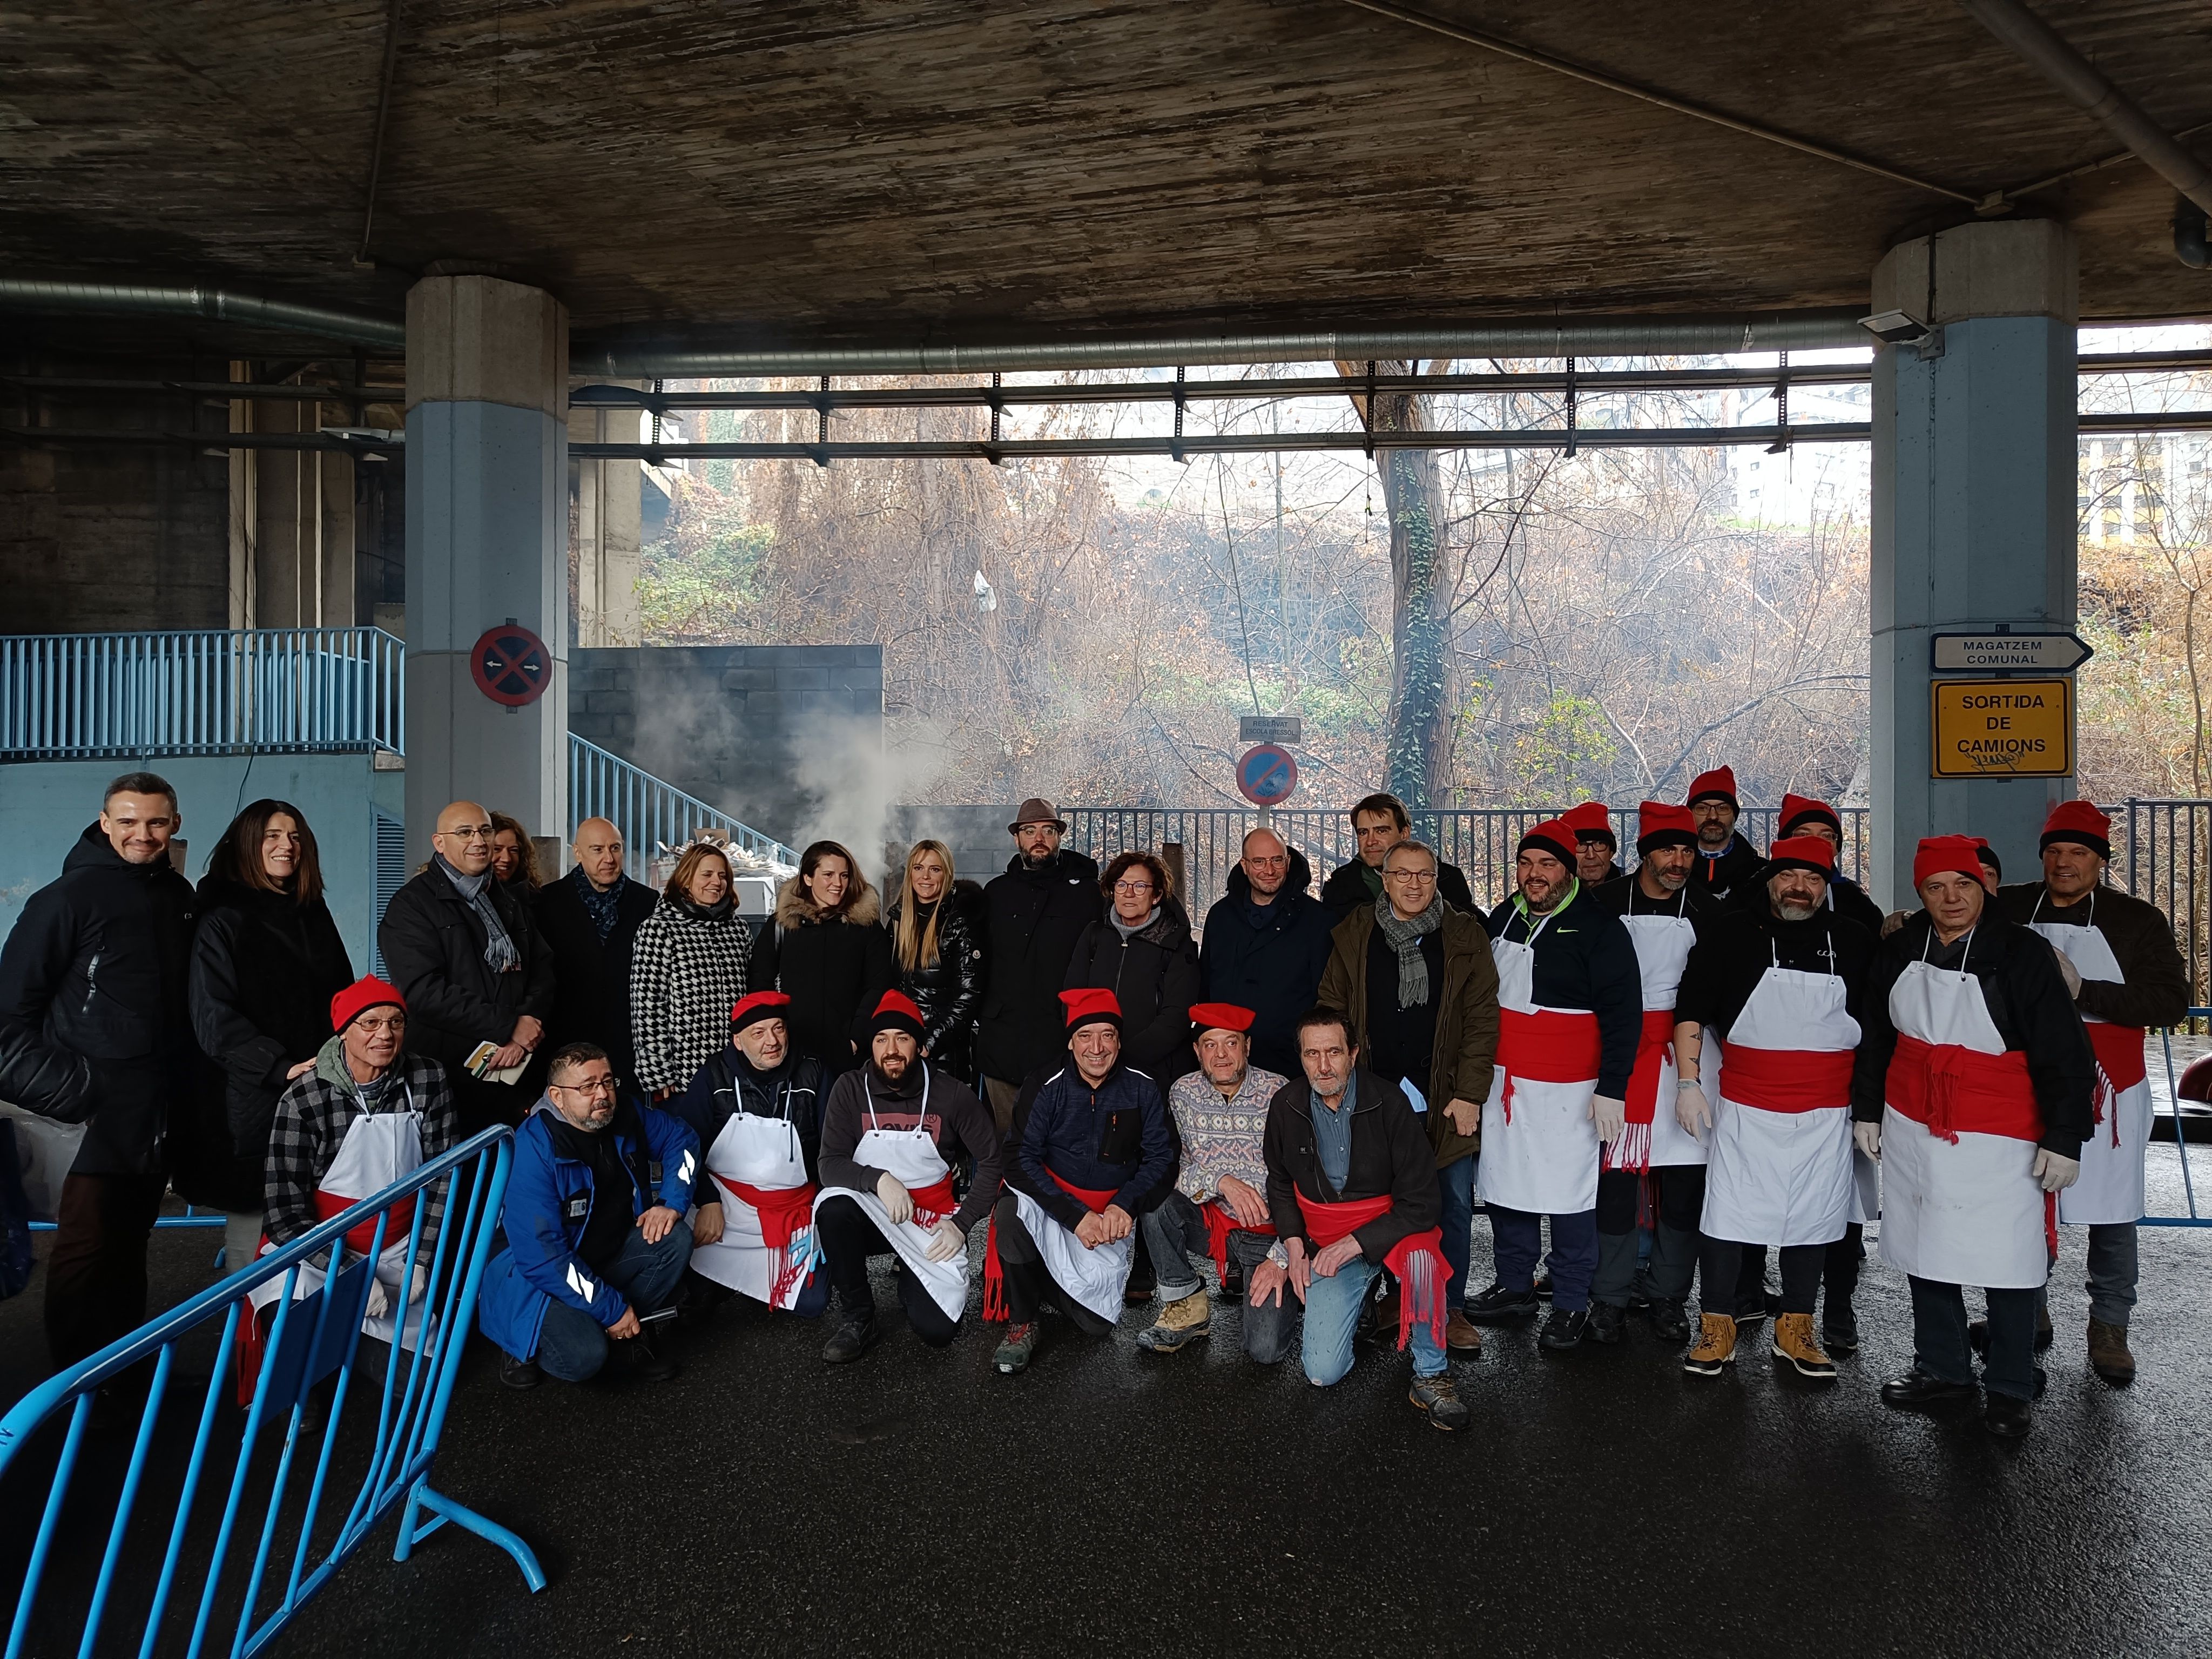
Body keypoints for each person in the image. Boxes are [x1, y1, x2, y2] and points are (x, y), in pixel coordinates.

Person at [1853, 837, 2094, 1438]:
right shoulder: (1902, 948)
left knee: (2007, 1260)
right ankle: (1943, 1368)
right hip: (1913, 1122)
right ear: (1921, 895)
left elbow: (2064, 1052)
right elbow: (1876, 1036)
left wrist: (2066, 1137)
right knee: (1924, 1248)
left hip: (2001, 1130)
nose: (1951, 898)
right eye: (1935, 888)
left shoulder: (2022, 953)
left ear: (1982, 887)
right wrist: (1868, 1111)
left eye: (1962, 885)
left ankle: (2010, 1387)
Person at [0, 773, 197, 1368]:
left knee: (129, 1249)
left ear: (175, 825)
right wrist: (78, 1093)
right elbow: (8, 1021)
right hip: (85, 1121)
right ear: (105, 822)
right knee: (85, 1251)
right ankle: (71, 1393)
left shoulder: (178, 898)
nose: (144, 834)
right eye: (130, 821)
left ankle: (119, 1377)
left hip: (153, 1113)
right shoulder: (64, 899)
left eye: (157, 822)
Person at [1996, 800, 2187, 1385]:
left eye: (2078, 852)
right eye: (2054, 851)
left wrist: (2085, 990)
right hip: (2026, 1078)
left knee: (2112, 1213)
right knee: (2025, 1204)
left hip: (2111, 1088)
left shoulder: (2137, 922)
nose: (2063, 863)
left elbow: (2169, 1004)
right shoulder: (2007, 907)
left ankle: (2109, 1325)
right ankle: (2029, 1310)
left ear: (2099, 861)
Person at [1674, 836, 1872, 1380]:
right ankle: (1716, 1327)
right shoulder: (1733, 932)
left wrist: (1870, 1109)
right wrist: (1688, 1083)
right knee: (1727, 1218)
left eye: (1812, 879)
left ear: (1825, 885)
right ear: (1770, 879)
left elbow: (1876, 1029)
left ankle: (1796, 1329)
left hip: (1826, 1112)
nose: (1799, 888)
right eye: (1789, 876)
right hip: (1746, 1107)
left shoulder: (1853, 940)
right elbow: (1691, 1004)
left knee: (1812, 1220)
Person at [1316, 838, 1499, 1353]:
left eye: (1424, 875)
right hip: (1373, 1093)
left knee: (1454, 1202)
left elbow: (1483, 1020)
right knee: (1381, 1200)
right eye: (1403, 874)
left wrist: (1470, 1093)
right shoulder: (1355, 932)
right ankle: (1398, 1297)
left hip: (1444, 1095)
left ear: (1435, 880)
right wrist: (1339, 1079)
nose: (1414, 885)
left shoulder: (1465, 935)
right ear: (1386, 878)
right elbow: (1332, 1006)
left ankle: (1452, 1305)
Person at [1465, 819, 1641, 1350]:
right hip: (1506, 1087)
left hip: (1571, 1093)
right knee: (1506, 1191)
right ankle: (1515, 1285)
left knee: (1570, 1201)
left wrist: (1612, 1087)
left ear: (1568, 870)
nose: (1534, 874)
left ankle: (1569, 1302)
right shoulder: (1503, 918)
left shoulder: (1600, 928)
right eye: (1525, 863)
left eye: (1547, 864)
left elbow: (1622, 1014)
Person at [1250, 1007, 1467, 1429]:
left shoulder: (1390, 1102)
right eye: (1312, 1054)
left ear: (1353, 1053)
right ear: (1301, 1058)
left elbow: (1423, 1203)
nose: (1324, 1065)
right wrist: (1293, 1244)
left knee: (1423, 1260)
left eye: (1333, 1052)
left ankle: (1431, 1373)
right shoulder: (1287, 1104)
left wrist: (1355, 1244)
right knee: (1320, 1373)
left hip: (1391, 1230)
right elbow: (1279, 1181)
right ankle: (1361, 1307)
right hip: (1326, 1237)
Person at [186, 799, 354, 1278]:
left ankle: (300, 1340)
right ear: (247, 845)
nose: (287, 846)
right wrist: (280, 1067)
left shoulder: (309, 910)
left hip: (318, 1082)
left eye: (295, 837)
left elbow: (340, 993)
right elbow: (213, 1017)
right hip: (252, 1094)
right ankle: (249, 1341)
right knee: (253, 1223)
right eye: (272, 837)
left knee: (313, 1211)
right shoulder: (222, 916)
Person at [255, 977, 458, 1367]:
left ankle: (349, 1344)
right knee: (288, 1335)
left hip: (400, 1250)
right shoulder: (304, 1098)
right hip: (319, 1252)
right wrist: (349, 1274)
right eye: (370, 1023)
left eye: (396, 1022)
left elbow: (443, 1177)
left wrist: (423, 1258)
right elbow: (283, 1216)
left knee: (410, 1385)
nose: (385, 1034)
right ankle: (306, 1387)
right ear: (344, 1031)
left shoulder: (428, 1079)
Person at [478, 1042, 700, 1388]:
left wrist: (672, 1201)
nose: (603, 1094)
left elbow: (682, 1140)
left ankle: (627, 1333)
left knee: (674, 1236)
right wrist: (611, 1310)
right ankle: (520, 1341)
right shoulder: (535, 1149)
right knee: (583, 1358)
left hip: (603, 1254)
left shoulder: (624, 1113)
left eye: (608, 1081)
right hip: (536, 1277)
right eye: (587, 1086)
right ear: (557, 1096)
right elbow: (542, 1257)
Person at [986, 988, 1174, 1374]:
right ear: (1071, 1041)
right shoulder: (1045, 1083)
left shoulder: (1143, 1085)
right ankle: (1023, 1320)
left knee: (1096, 1326)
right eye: (1086, 1036)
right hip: (1053, 1202)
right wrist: (1074, 1216)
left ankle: (1031, 1278)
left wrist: (1127, 1203)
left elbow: (1163, 1157)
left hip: (1109, 1214)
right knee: (1010, 1214)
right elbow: (1019, 1158)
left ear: (1119, 1040)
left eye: (1107, 1034)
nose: (1097, 1047)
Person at [1587, 802, 1717, 1344]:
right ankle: (1610, 1295)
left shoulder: (1709, 911)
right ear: (1643, 853)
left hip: (1687, 1056)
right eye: (1667, 849)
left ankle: (1668, 1294)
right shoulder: (1603, 903)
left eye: (1686, 850)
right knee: (1616, 1182)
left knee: (1683, 1185)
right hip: (1621, 1053)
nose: (1678, 860)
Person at [813, 991, 1003, 1362]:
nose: (891, 1049)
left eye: (902, 1038)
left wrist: (961, 1225)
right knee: (833, 1207)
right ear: (871, 1046)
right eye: (881, 1039)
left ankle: (912, 1277)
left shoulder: (953, 1095)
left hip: (932, 1223)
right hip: (872, 1213)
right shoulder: (850, 1089)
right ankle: (858, 1316)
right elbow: (829, 1164)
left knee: (938, 1332)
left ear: (920, 1046)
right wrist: (880, 1179)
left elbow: (993, 1162)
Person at [378, 800, 556, 1134]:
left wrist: (522, 1032)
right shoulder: (411, 906)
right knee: (458, 1181)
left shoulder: (507, 898)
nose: (479, 840)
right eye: (464, 832)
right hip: (448, 1079)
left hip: (515, 1070)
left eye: (485, 830)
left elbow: (542, 970)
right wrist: (507, 1027)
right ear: (439, 843)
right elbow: (422, 993)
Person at [1136, 1002, 1293, 1355]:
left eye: (1231, 1043)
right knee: (1155, 1201)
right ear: (1197, 1051)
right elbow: (1172, 1167)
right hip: (1211, 1223)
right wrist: (1222, 1181)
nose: (1221, 1055)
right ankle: (1187, 1304)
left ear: (1248, 1047)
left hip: (1268, 1235)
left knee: (1266, 1351)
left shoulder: (1279, 1092)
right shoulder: (1183, 1093)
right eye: (1210, 1044)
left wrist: (1283, 1257)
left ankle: (1294, 1285)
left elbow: (1305, 1182)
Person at [670, 990, 830, 1317]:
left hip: (792, 1210)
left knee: (812, 1305)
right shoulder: (713, 1075)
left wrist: (821, 1219)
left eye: (778, 1029)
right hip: (726, 1207)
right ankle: (718, 1283)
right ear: (738, 1042)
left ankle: (749, 1282)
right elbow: (682, 1149)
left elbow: (835, 1149)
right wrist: (707, 1199)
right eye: (758, 1033)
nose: (771, 1041)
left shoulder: (814, 1073)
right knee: (685, 1270)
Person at [975, 800, 1102, 1132]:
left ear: (1059, 836)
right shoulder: (997, 893)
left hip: (1059, 1036)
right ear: (1017, 839)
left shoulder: (1088, 893)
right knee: (1007, 1138)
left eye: (1048, 830)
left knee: (1060, 1137)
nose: (1039, 838)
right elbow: (978, 957)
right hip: (1002, 1038)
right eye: (1030, 831)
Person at [1198, 827, 1337, 1080]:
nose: (1269, 871)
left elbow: (1325, 997)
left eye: (1277, 860)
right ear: (1244, 865)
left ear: (1288, 861)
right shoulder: (1220, 917)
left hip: (1291, 1061)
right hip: (1228, 1060)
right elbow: (1206, 985)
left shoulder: (1317, 920)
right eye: (1259, 861)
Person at [750, 840, 895, 1077]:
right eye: (828, 875)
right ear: (808, 878)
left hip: (850, 1054)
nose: (838, 884)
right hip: (793, 1051)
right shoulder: (783, 925)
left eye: (844, 875)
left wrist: (856, 1038)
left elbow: (879, 985)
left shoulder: (866, 927)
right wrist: (775, 1035)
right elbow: (759, 982)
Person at [532, 818, 658, 1089]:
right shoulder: (545, 903)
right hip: (563, 1039)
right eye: (597, 849)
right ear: (577, 852)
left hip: (629, 1043)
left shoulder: (648, 903)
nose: (609, 858)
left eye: (615, 848)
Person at [1064, 850, 1201, 1083]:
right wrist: (1095, 1052)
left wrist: (1124, 1058)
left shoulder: (1175, 943)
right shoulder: (1094, 936)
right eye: (1121, 885)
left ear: (1156, 895)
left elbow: (1177, 1016)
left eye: (1140, 886)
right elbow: (1072, 997)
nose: (1129, 894)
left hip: (1155, 1070)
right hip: (1096, 1065)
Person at [632, 840, 751, 1102]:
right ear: (686, 880)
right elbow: (648, 1007)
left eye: (722, 876)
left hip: (735, 1065)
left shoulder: (738, 930)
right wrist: (659, 1072)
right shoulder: (659, 929)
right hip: (684, 1071)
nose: (716, 882)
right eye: (707, 874)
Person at [884, 839, 984, 1081]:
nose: (925, 877)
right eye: (919, 868)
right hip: (900, 1047)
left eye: (935, 869)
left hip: (942, 1056)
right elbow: (886, 987)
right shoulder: (898, 922)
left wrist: (929, 1043)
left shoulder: (961, 923)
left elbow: (968, 996)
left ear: (946, 874)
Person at [1319, 792, 1477, 916]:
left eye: (1381, 831)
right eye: (1363, 832)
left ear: (1404, 834)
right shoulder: (1340, 886)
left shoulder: (1447, 878)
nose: (1370, 841)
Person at [1766, 793, 1883, 935]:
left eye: (1827, 836)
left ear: (1837, 847)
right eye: (1803, 834)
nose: (1816, 842)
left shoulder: (1857, 903)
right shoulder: (1755, 895)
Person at [1683, 767, 1763, 898]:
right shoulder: (1674, 869)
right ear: (1690, 813)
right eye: (1703, 808)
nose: (1713, 816)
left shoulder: (1757, 872)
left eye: (1722, 808)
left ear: (1734, 815)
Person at [1566, 800, 1623, 887]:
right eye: (1581, 845)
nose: (1591, 855)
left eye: (1600, 844)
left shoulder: (1630, 895)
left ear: (1611, 853)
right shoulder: (1553, 897)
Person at [489, 812, 542, 895]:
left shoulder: (531, 896)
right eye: (497, 849)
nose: (507, 859)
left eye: (514, 850)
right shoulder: (469, 901)